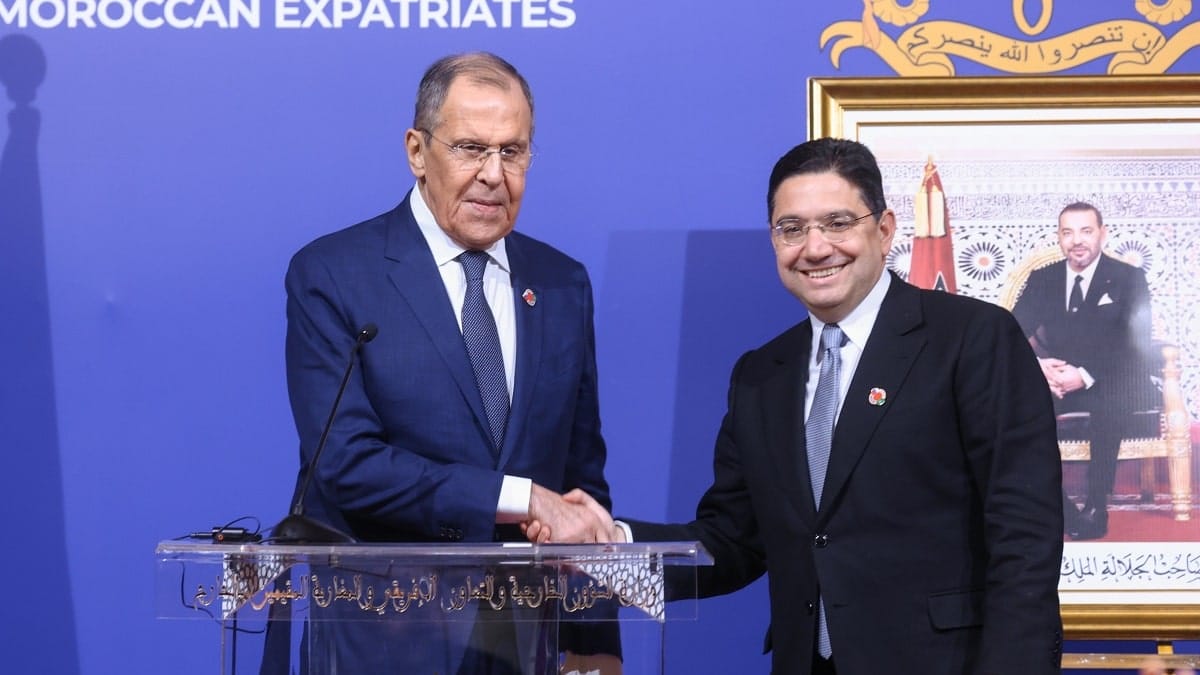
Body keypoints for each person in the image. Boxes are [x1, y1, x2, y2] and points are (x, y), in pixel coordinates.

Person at [532, 138, 1064, 674]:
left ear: (884, 230)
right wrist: (609, 547)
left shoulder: (972, 339)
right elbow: (732, 543)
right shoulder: (762, 376)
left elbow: (1024, 537)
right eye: (792, 229)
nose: (814, 248)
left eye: (837, 223)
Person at [266, 52, 619, 674]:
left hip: (523, 638)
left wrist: (594, 645)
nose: (493, 174)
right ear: (417, 151)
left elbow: (580, 483)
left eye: (513, 151)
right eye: (470, 149)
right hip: (384, 636)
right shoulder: (335, 274)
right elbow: (345, 463)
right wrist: (521, 499)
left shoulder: (562, 283)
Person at [1011, 202, 1157, 541]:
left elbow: (1136, 343)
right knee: (1018, 410)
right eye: (1068, 232)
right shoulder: (1043, 279)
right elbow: (1010, 333)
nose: (1077, 240)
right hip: (1056, 380)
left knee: (1110, 403)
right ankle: (1060, 507)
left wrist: (1086, 374)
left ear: (1102, 234)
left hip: (1111, 378)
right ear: (1059, 237)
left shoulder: (1129, 278)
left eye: (1086, 231)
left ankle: (1095, 505)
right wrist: (1039, 368)